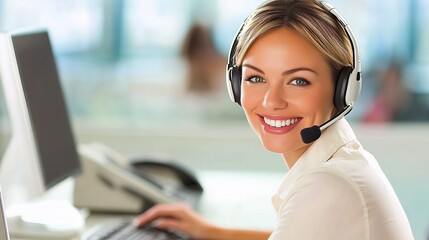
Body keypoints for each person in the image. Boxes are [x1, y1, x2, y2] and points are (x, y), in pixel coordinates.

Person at [134, 0, 414, 239]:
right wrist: (212, 233)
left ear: (343, 89)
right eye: (255, 78)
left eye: (299, 81)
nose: (271, 101)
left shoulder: (327, 184)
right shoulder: (342, 162)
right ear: (235, 83)